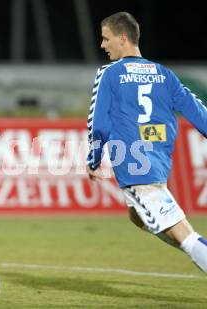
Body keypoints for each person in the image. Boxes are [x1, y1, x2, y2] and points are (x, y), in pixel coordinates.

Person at [86, 11, 207, 272]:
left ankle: (198, 249)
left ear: (122, 39)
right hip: (157, 163)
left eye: (106, 39)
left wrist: (93, 159)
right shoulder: (164, 74)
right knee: (138, 216)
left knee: (184, 236)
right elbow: (198, 112)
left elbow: (99, 125)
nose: (102, 45)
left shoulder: (110, 74)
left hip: (134, 167)